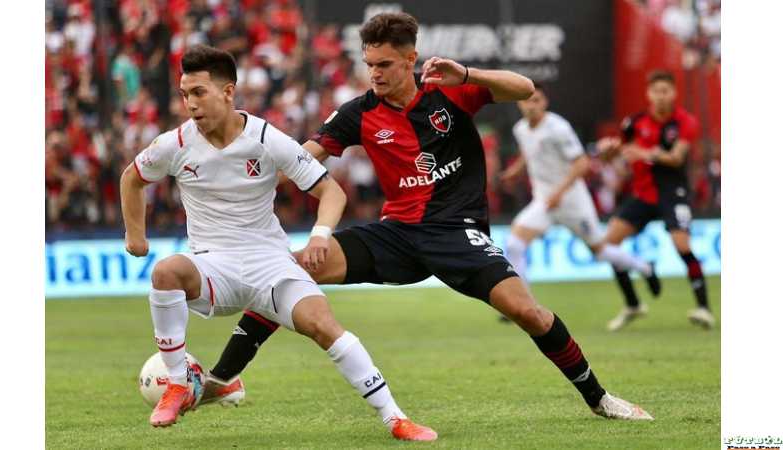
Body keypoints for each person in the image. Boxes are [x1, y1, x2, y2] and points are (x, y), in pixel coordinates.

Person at [201, 13, 653, 421]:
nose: (374, 73)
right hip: (397, 234)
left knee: (528, 311)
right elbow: (302, 158)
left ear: (410, 59)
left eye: (384, 64)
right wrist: (242, 179)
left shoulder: (449, 92)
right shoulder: (360, 113)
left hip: (458, 232)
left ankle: (599, 399)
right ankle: (222, 381)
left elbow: (524, 88)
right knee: (292, 271)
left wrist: (469, 73)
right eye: (369, 63)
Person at [120, 44, 436, 441]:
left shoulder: (267, 139)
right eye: (185, 94)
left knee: (324, 325)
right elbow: (131, 178)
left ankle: (395, 419)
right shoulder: (175, 143)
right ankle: (180, 382)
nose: (191, 104)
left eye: (199, 92)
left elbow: (331, 192)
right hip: (211, 266)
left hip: (270, 263)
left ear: (228, 92)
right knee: (165, 271)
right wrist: (136, 235)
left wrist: (320, 236)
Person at [499, 84, 660, 318]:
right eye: (526, 101)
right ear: (519, 103)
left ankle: (645, 267)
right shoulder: (521, 129)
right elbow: (528, 152)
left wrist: (559, 193)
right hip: (544, 202)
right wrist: (515, 171)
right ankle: (523, 304)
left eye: (536, 101)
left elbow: (582, 163)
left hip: (572, 201)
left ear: (545, 103)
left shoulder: (558, 128)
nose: (531, 106)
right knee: (514, 244)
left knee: (600, 252)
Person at [596, 70, 715, 331]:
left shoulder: (684, 122)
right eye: (656, 91)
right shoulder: (634, 123)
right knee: (607, 246)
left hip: (673, 194)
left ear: (674, 93)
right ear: (648, 94)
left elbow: (676, 158)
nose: (661, 97)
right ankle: (633, 304)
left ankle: (704, 308)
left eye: (666, 91)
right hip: (642, 194)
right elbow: (617, 157)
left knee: (682, 246)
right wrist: (607, 152)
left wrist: (644, 152)